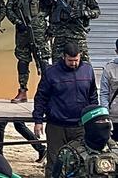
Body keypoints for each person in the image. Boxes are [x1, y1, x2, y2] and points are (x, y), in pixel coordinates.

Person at [33, 42, 98, 176]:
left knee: (81, 162)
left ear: (80, 56)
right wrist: (38, 120)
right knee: (55, 162)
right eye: (70, 60)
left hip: (81, 126)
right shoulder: (51, 73)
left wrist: (94, 119)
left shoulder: (88, 70)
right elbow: (41, 97)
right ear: (64, 57)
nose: (73, 63)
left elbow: (93, 96)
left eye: (76, 60)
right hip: (57, 126)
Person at [5, 0, 51, 103]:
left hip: (39, 31)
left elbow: (52, 5)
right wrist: (17, 22)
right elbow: (9, 9)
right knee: (23, 61)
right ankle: (23, 90)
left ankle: (47, 92)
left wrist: (46, 23)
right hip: (22, 32)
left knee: (43, 60)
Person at [52, 105, 118, 178]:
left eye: (108, 120)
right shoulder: (69, 153)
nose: (106, 124)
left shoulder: (115, 149)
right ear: (89, 126)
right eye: (101, 121)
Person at [100, 39, 118, 141]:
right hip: (114, 119)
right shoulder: (109, 68)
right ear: (116, 52)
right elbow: (104, 94)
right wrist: (105, 116)